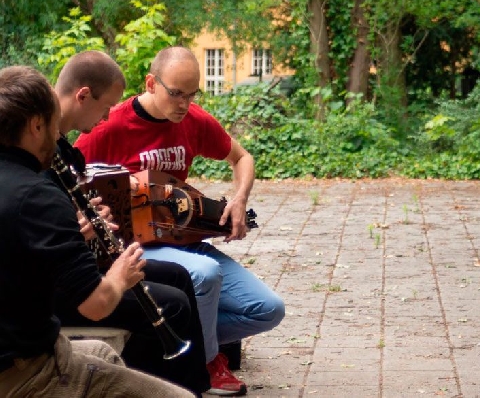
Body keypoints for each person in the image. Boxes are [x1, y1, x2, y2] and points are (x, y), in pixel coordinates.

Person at [74, 46, 286, 395]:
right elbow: (68, 174)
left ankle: (184, 342)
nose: (184, 104)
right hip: (136, 249)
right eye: (176, 93)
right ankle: (206, 361)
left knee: (267, 310)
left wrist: (239, 198)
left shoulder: (193, 120)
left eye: (191, 95)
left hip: (183, 242)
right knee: (205, 274)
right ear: (151, 83)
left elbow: (242, 157)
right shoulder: (109, 125)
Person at [0, 64, 195, 397]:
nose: (58, 137)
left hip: (25, 346)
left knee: (104, 354)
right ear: (36, 125)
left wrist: (75, 236)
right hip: (28, 371)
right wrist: (121, 274)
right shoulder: (38, 196)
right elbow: (96, 305)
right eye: (53, 126)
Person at [49, 50, 221, 396]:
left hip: (69, 263)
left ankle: (195, 384)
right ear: (83, 95)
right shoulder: (36, 155)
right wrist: (75, 228)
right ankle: (165, 386)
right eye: (106, 107)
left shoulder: (56, 147)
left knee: (179, 275)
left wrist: (86, 218)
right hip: (55, 283)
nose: (108, 116)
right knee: (172, 303)